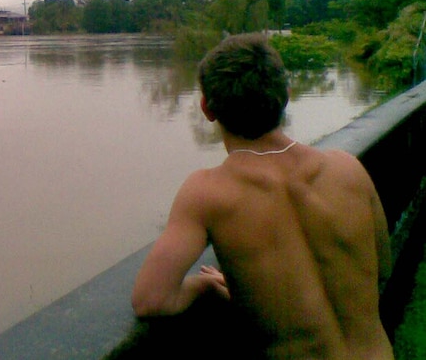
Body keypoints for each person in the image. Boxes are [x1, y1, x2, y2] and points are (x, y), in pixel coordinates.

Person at [131, 33, 394, 359]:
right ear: (286, 94)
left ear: (206, 108)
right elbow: (381, 267)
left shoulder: (207, 193)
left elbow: (151, 299)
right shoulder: (348, 168)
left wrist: (208, 285)